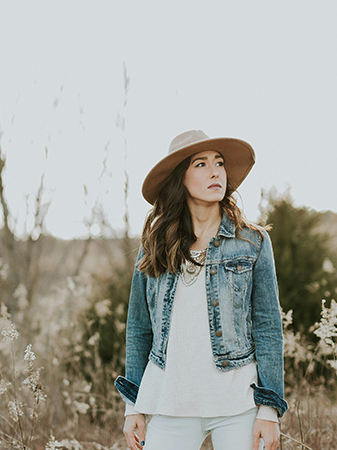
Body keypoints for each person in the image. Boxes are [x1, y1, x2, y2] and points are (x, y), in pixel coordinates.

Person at [114, 130, 288, 450]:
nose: (215, 172)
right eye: (201, 164)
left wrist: (269, 409)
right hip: (170, 402)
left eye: (219, 163)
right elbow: (139, 327)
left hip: (238, 403)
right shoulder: (154, 245)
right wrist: (133, 405)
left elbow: (268, 328)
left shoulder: (252, 242)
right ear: (180, 178)